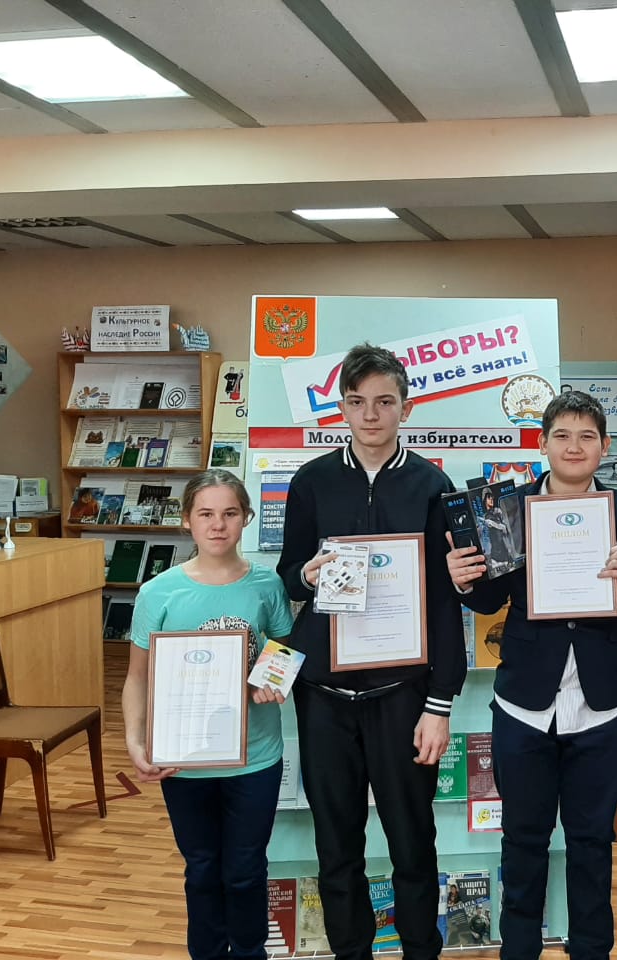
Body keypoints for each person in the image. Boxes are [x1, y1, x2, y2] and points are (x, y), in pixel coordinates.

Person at [446, 390, 617, 960]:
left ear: (605, 446)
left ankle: (591, 950)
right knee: (523, 842)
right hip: (525, 706)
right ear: (542, 443)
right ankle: (519, 951)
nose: (574, 447)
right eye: (563, 436)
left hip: (602, 708)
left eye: (586, 436)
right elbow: (489, 598)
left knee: (592, 842)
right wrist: (463, 578)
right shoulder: (509, 508)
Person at [276, 343, 466, 960]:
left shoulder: (432, 486)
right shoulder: (311, 481)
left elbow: (446, 601)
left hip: (402, 696)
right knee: (336, 848)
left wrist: (439, 703)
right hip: (324, 695)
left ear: (406, 408)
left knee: (413, 845)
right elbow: (288, 576)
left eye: (384, 402)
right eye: (357, 403)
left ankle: (420, 952)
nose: (370, 415)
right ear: (342, 408)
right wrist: (307, 574)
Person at [121, 469, 295, 960]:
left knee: (245, 870)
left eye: (229, 513)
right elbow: (137, 677)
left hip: (254, 757)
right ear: (187, 521)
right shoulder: (158, 592)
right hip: (184, 758)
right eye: (206, 514)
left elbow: (284, 649)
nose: (217, 525)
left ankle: (251, 953)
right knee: (201, 868)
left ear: (246, 518)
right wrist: (135, 740)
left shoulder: (267, 585)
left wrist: (271, 681)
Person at [478, 488, 514, 576]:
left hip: (505, 554)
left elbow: (505, 528)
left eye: (492, 497)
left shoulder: (498, 511)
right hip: (493, 556)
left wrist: (493, 524)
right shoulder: (484, 516)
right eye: (488, 497)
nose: (491, 499)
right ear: (484, 500)